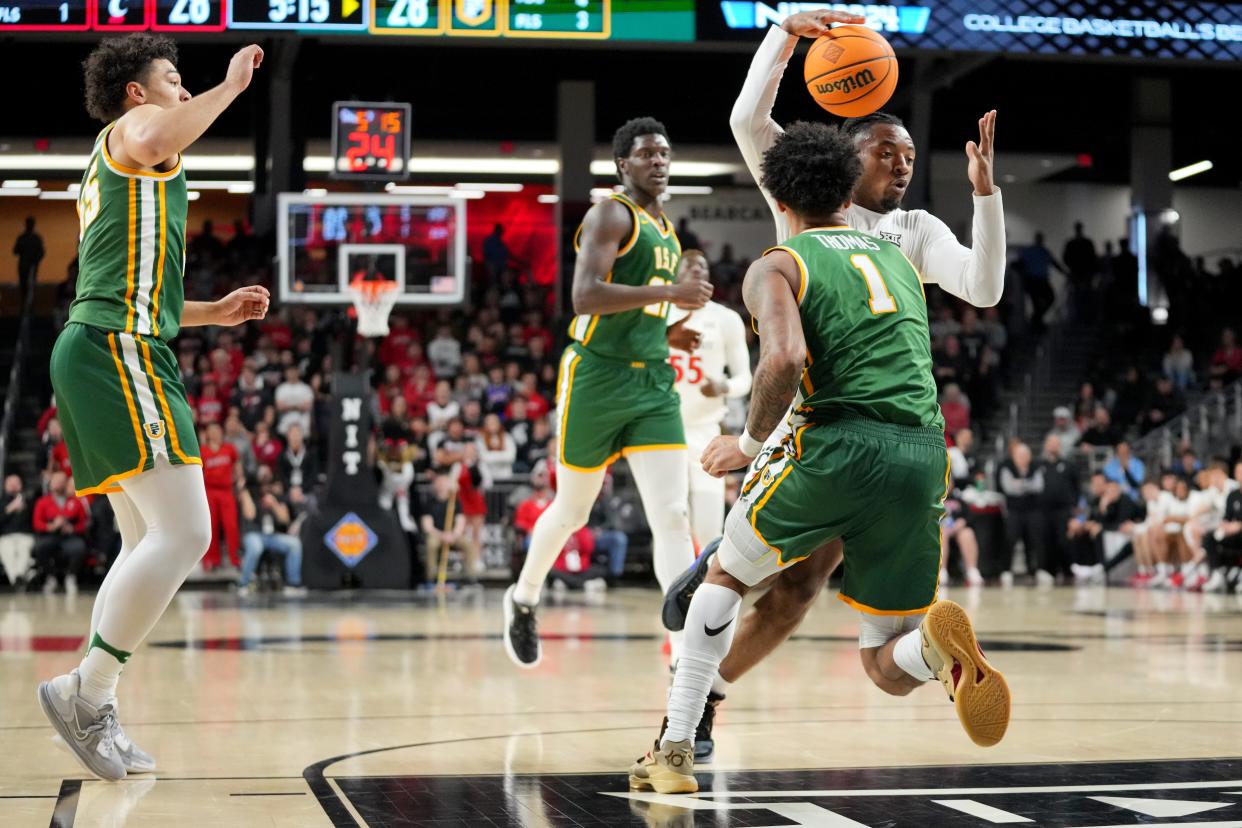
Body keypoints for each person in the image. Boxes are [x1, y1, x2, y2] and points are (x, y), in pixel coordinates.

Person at [659, 6, 1009, 762]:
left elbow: (983, 288)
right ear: (849, 162)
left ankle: (702, 694)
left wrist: (986, 195)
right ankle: (721, 603)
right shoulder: (809, 196)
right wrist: (785, 34)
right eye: (888, 152)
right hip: (837, 422)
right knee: (782, 586)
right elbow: (751, 118)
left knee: (792, 591)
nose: (904, 164)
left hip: (839, 420)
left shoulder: (912, 232)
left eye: (911, 153)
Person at [37, 34, 268, 782]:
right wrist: (232, 86)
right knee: (188, 532)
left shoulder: (135, 167)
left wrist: (214, 314)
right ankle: (85, 692)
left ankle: (96, 703)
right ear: (137, 93)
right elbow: (162, 128)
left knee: (145, 541)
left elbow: (139, 288)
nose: (182, 89)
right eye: (172, 79)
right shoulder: (136, 132)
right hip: (117, 349)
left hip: (115, 340)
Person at [502, 116, 712, 669]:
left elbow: (636, 303)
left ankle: (681, 653)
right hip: (596, 375)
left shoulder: (665, 227)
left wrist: (665, 328)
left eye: (664, 153)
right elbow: (586, 296)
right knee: (572, 512)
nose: (658, 162)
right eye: (646, 155)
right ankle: (523, 598)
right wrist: (671, 291)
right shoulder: (611, 212)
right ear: (624, 164)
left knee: (671, 514)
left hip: (652, 380)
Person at [669, 249, 753, 549]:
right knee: (671, 522)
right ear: (675, 276)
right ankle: (674, 591)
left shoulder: (725, 319)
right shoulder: (659, 314)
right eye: (689, 267)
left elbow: (746, 379)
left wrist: (723, 387)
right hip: (665, 431)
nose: (697, 271)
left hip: (706, 432)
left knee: (708, 525)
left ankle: (703, 589)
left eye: (703, 267)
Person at [236, 468, 305, 596]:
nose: (265, 482)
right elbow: (249, 515)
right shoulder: (250, 493)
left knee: (294, 544)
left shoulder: (277, 495)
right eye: (262, 476)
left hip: (272, 536)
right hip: (254, 534)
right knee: (255, 547)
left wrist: (274, 503)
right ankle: (243, 584)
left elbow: (285, 519)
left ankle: (293, 584)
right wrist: (244, 492)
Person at [32, 471, 89, 596]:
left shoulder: (75, 501)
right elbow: (37, 523)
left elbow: (84, 523)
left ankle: (70, 576)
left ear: (66, 483)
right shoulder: (42, 502)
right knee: (39, 548)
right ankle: (50, 577)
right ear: (50, 483)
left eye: (61, 481)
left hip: (69, 536)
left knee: (80, 547)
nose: (57, 484)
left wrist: (72, 529)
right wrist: (51, 526)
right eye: (55, 481)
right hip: (50, 535)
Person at [199, 422, 241, 573]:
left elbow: (237, 466)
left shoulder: (229, 449)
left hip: (226, 491)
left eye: (217, 430)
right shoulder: (203, 451)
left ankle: (235, 560)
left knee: (231, 526)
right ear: (207, 434)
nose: (215, 433)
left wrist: (240, 481)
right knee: (212, 527)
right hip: (210, 491)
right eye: (212, 430)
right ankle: (212, 561)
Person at [1018, 232, 1066, 334]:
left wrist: (1065, 273)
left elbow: (1054, 263)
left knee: (1050, 298)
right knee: (1036, 303)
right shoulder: (1029, 251)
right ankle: (1036, 323)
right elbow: (1020, 264)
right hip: (1032, 281)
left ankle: (1036, 320)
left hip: (1042, 281)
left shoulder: (1044, 251)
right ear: (1036, 239)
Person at [0, 474, 35, 588]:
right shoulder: (1, 502)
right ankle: (16, 578)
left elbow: (34, 520)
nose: (14, 486)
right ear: (5, 485)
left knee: (24, 550)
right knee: (7, 551)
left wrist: (25, 508)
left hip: (25, 535)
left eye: (16, 483)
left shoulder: (29, 500)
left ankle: (17, 577)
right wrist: (9, 509)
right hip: (6, 536)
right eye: (11, 484)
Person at [1062, 222, 1098, 321]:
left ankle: (1084, 317)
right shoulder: (1075, 243)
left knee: (1084, 295)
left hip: (1083, 273)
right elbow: (1066, 258)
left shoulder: (1083, 243)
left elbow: (1092, 258)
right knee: (1077, 296)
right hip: (1078, 273)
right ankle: (1078, 317)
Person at [13, 215, 45, 292]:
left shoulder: (35, 238)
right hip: (24, 265)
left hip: (31, 265)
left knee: (31, 285)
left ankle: (29, 302)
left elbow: (41, 252)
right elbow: (15, 251)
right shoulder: (22, 238)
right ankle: (25, 301)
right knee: (24, 285)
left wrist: (35, 260)